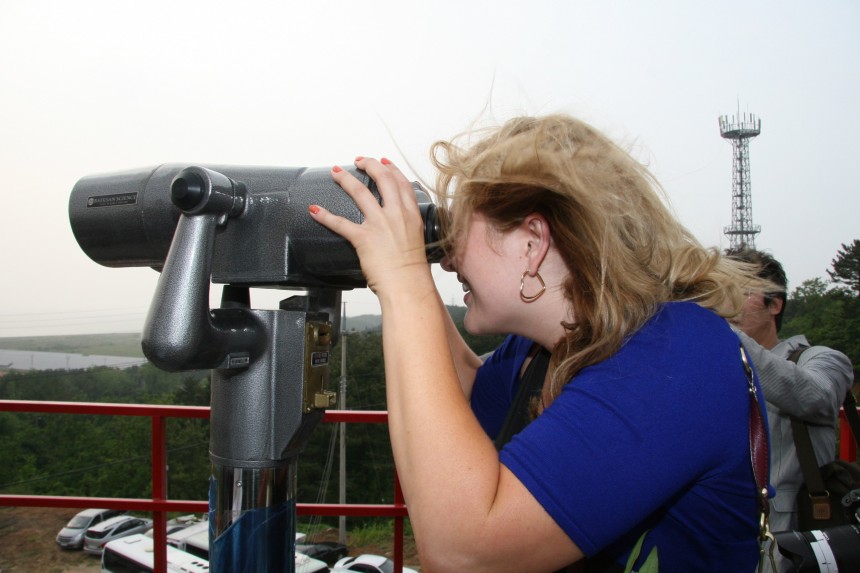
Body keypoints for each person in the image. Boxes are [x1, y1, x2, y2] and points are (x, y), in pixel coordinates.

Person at [309, 115, 770, 572]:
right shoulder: (545, 350)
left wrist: (404, 278)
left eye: (459, 230)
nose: (446, 258)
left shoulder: (677, 358)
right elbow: (458, 393)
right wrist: (402, 259)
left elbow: (465, 553)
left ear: (532, 242)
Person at [726, 248, 854, 539]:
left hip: (793, 533)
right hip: (722, 528)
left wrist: (724, 334)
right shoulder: (714, 370)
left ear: (775, 305)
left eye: (741, 291)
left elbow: (814, 396)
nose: (727, 303)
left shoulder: (823, 359)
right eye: (722, 291)